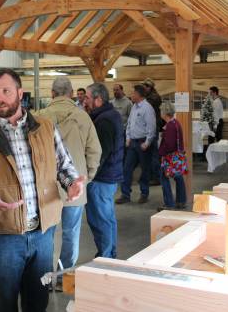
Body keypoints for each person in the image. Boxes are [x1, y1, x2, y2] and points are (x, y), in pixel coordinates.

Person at [0, 67, 84, 312]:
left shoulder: (46, 128)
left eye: (6, 91)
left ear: (20, 92)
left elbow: (64, 166)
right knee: (4, 302)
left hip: (43, 233)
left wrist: (71, 184)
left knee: (38, 300)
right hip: (4, 235)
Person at [37, 76, 101, 287]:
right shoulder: (83, 118)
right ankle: (63, 279)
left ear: (52, 94)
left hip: (46, 188)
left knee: (46, 235)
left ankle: (44, 280)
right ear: (72, 93)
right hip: (75, 184)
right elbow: (94, 151)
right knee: (71, 234)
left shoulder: (40, 117)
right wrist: (86, 177)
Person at [84, 82, 124, 258]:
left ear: (98, 99)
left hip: (102, 178)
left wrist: (89, 175)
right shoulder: (109, 115)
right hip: (108, 176)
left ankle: (106, 256)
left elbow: (101, 153)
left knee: (100, 220)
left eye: (87, 97)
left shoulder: (104, 120)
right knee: (107, 218)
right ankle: (109, 253)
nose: (84, 101)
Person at [116, 84, 156, 204]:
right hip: (133, 143)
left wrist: (147, 142)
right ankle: (125, 194)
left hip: (143, 143)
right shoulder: (134, 107)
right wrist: (128, 137)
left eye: (133, 93)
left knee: (144, 170)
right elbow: (129, 124)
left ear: (139, 94)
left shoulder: (147, 108)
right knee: (126, 168)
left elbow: (151, 127)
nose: (131, 95)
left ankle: (144, 193)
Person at [158, 102, 187, 211]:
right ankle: (181, 201)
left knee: (164, 178)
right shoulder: (176, 123)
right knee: (178, 178)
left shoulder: (169, 126)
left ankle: (169, 203)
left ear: (165, 113)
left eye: (161, 111)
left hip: (170, 157)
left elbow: (169, 144)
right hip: (178, 156)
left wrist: (161, 154)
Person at [142, 78, 162, 185]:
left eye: (145, 86)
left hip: (152, 129)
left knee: (154, 154)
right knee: (148, 154)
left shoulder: (154, 98)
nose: (144, 88)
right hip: (147, 128)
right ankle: (150, 176)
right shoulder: (149, 97)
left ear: (150, 87)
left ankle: (156, 177)